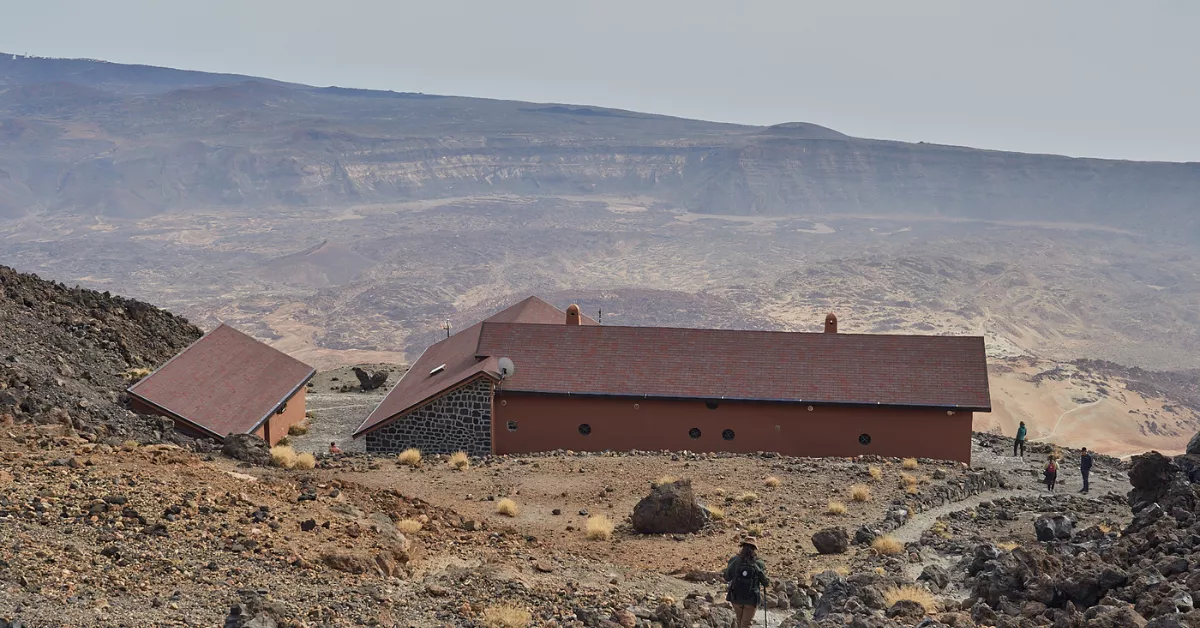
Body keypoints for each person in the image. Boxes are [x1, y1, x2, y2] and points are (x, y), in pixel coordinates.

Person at [724, 537, 770, 628]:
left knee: (739, 621)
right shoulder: (759, 563)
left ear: (743, 547)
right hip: (751, 599)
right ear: (754, 549)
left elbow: (727, 577)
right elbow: (766, 582)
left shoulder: (735, 560)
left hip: (736, 597)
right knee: (746, 624)